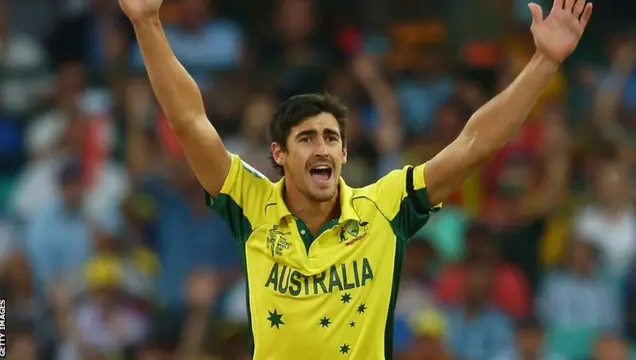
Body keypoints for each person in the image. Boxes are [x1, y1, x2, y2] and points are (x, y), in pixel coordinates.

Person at [118, 0, 593, 358]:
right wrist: (147, 22)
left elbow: (474, 145)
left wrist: (543, 63)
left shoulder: (382, 207)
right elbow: (189, 122)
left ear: (345, 153)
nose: (322, 147)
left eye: (331, 137)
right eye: (306, 138)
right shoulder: (252, 202)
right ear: (279, 155)